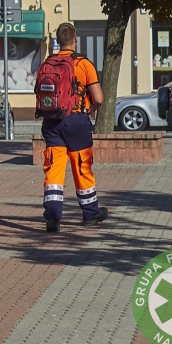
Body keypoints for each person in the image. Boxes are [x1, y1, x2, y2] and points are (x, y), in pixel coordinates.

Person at [36, 22, 108, 232]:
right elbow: (99, 98)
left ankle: (52, 218)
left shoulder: (47, 63)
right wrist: (90, 109)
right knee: (82, 168)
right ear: (75, 40)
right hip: (77, 120)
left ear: (58, 41)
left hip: (52, 122)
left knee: (54, 170)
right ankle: (90, 214)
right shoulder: (84, 64)